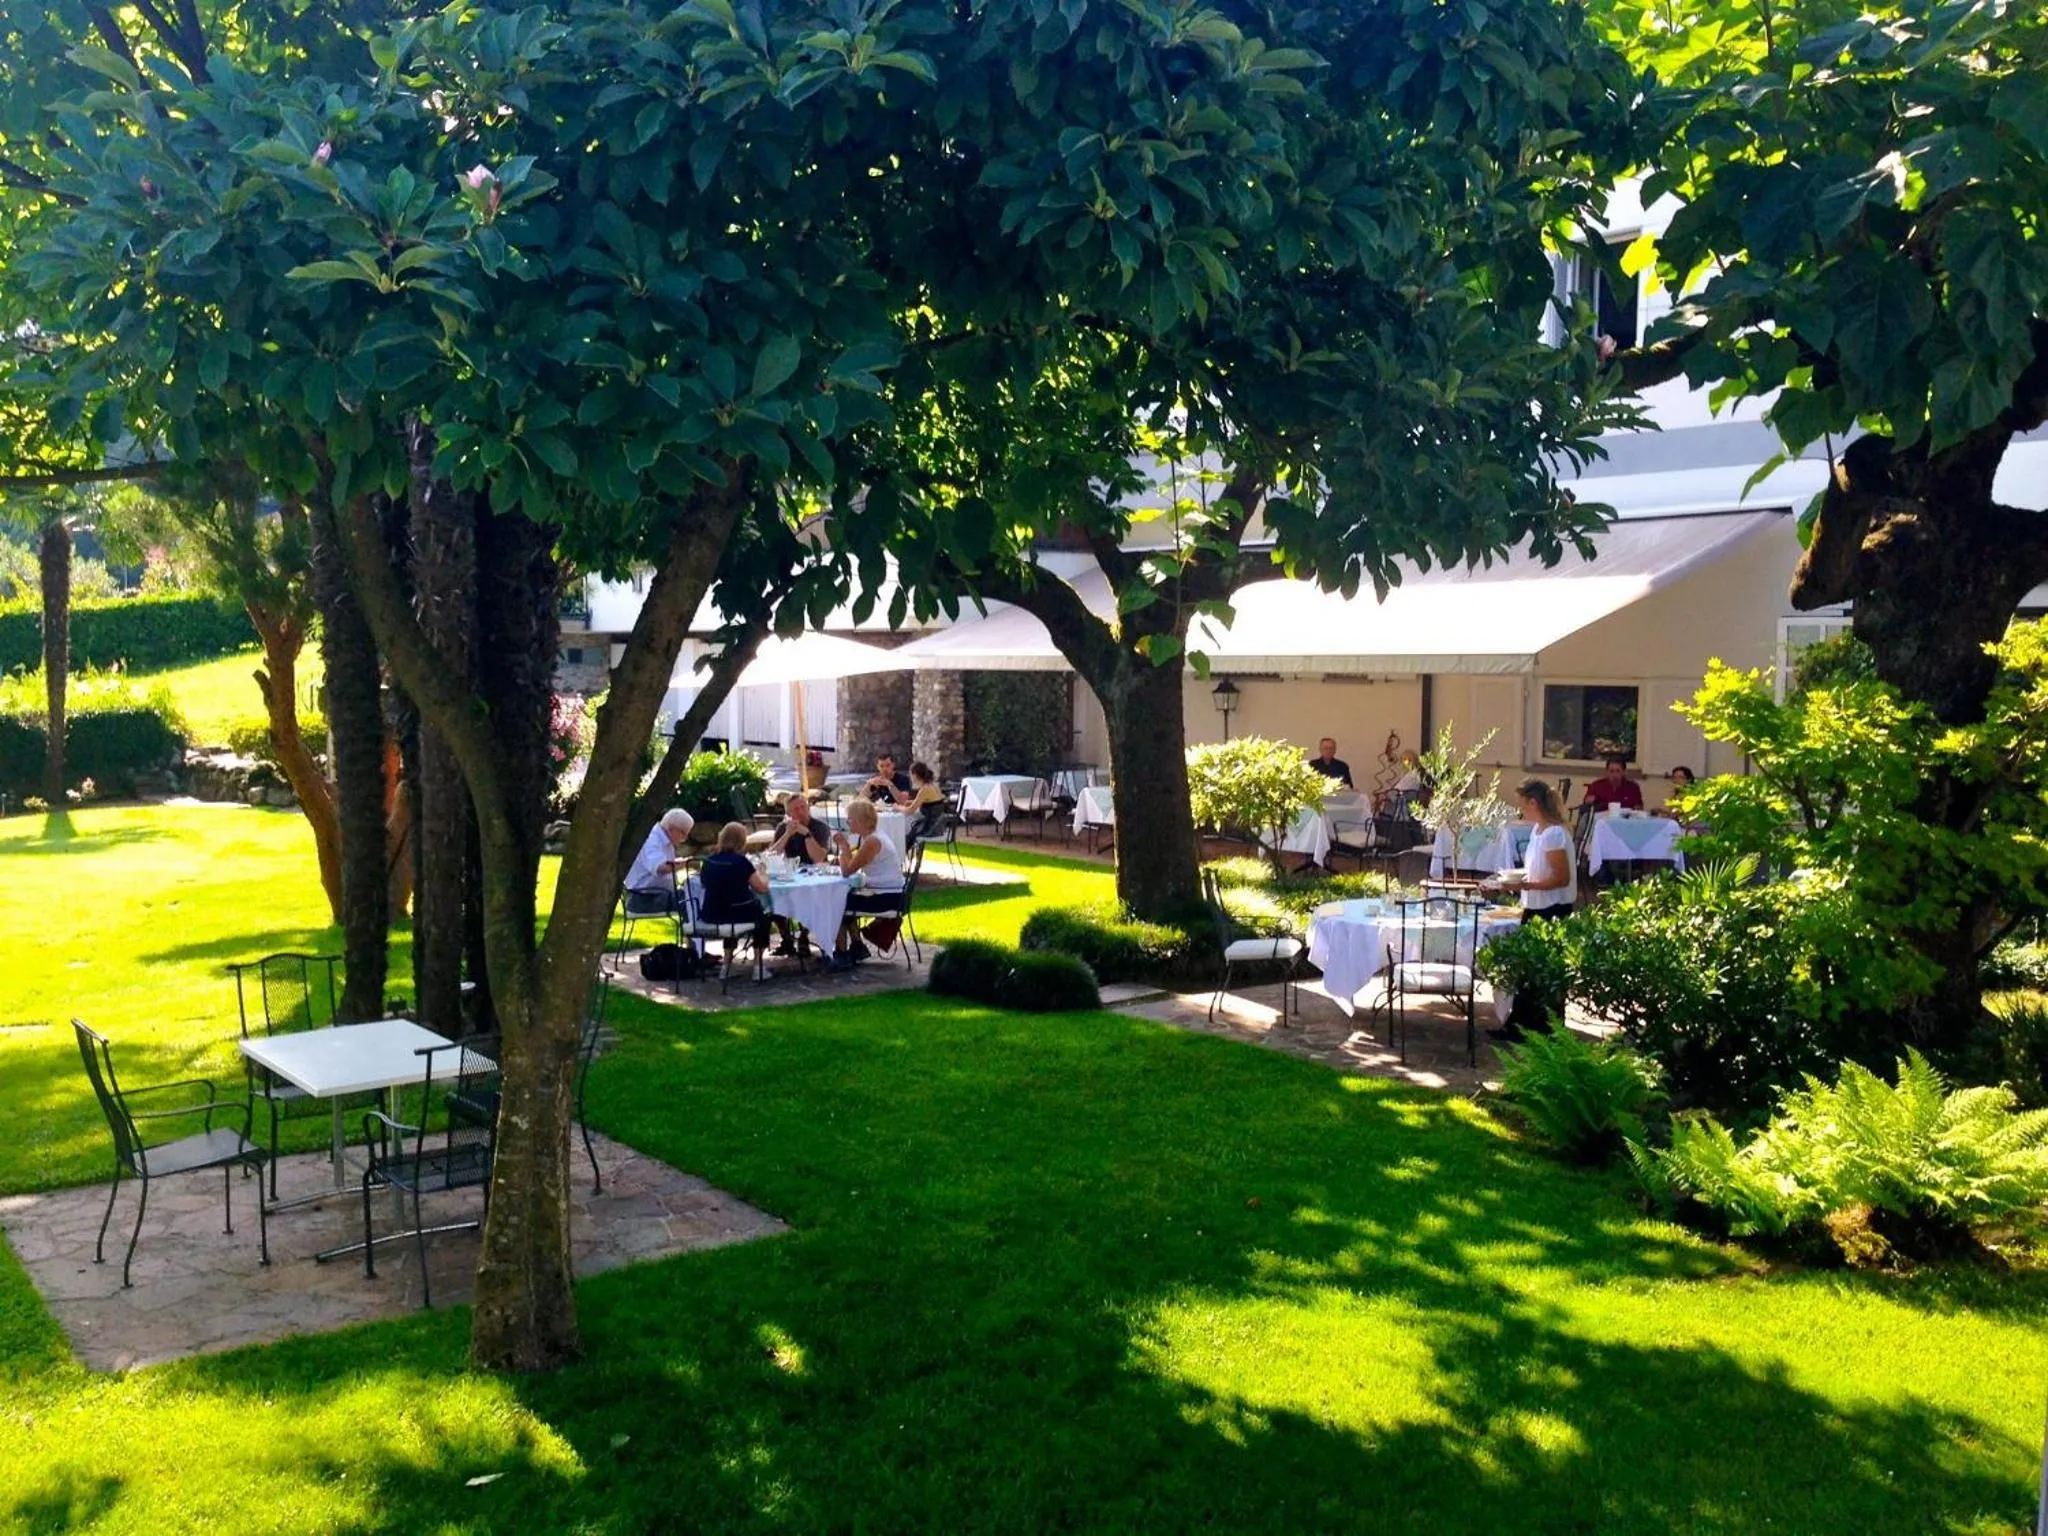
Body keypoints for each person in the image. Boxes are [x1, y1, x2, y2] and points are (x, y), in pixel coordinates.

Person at [1492, 778, 1576, 1041]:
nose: (1521, 810)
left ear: (1534, 803)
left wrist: (1526, 886)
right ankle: (1520, 1025)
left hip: (1552, 908)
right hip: (1535, 905)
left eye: (1523, 805)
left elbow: (1561, 878)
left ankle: (1547, 1028)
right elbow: (1535, 869)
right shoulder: (1538, 830)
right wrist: (1516, 882)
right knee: (1527, 969)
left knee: (1545, 970)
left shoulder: (1554, 833)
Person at [830, 797, 905, 969]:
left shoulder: (872, 841)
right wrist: (846, 853)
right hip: (890, 893)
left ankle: (841, 954)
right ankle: (857, 946)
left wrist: (843, 846)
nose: (848, 822)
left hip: (887, 896)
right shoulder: (874, 836)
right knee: (845, 898)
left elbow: (847, 870)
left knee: (837, 902)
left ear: (861, 821)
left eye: (850, 819)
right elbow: (852, 865)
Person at [696, 822, 772, 955]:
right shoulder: (741, 862)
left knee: (732, 908)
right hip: (736, 913)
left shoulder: (709, 861)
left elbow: (704, 884)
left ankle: (726, 964)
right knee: (764, 917)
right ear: (742, 841)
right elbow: (762, 888)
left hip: (711, 913)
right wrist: (763, 873)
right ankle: (757, 965)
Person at [623, 808, 694, 913]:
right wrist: (686, 864)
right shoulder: (652, 839)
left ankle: (694, 928)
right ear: (671, 829)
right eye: (684, 833)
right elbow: (661, 868)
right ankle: (695, 929)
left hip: (659, 894)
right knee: (689, 903)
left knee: (694, 895)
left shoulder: (666, 839)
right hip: (643, 898)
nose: (685, 838)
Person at [768, 794, 830, 867]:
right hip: (793, 870)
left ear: (808, 808)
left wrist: (807, 834)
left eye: (803, 807)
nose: (800, 812)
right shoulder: (783, 827)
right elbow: (771, 856)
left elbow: (819, 859)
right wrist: (787, 834)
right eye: (796, 809)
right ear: (788, 813)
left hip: (816, 871)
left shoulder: (821, 827)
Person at [1580, 755, 1644, 812]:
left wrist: (1637, 809)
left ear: (1624, 772)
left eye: (1618, 771)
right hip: (1601, 821)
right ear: (1607, 772)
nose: (1614, 775)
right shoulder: (1596, 785)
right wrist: (1588, 801)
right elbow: (1585, 806)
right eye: (1611, 771)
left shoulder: (1633, 787)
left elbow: (1639, 808)